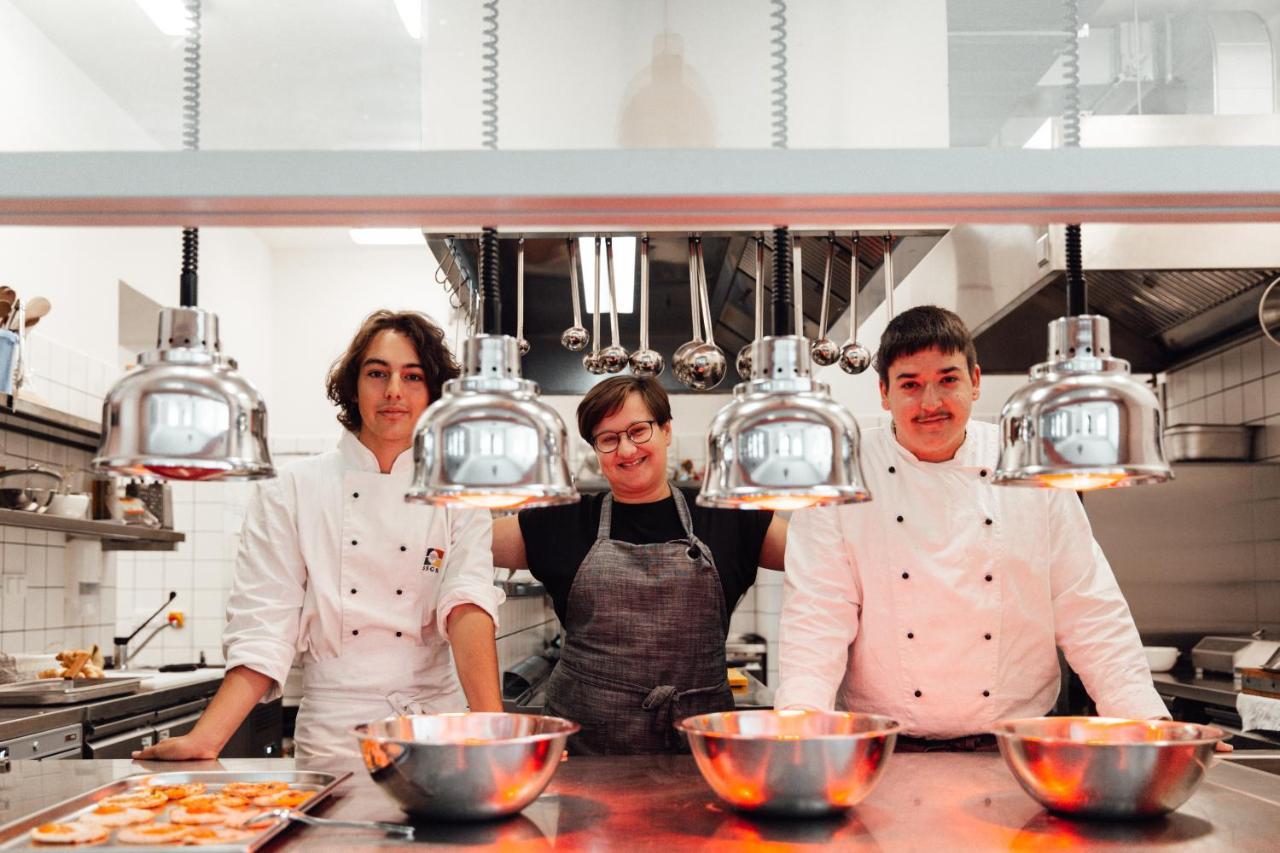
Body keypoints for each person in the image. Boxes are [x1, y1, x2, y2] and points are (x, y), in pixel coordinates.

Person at [775, 305, 1168, 750]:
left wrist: (1144, 718)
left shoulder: (1027, 463)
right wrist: (800, 720)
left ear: (975, 382)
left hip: (1016, 747)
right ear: (883, 393)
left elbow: (1087, 604)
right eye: (910, 385)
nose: (930, 403)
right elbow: (818, 611)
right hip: (884, 747)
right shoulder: (840, 470)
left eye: (948, 379)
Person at [135, 310, 504, 760]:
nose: (393, 391)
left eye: (413, 376)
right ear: (353, 386)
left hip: (436, 732)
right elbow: (265, 622)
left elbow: (467, 605)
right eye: (377, 373)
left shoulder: (458, 490)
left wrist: (494, 730)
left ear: (433, 394)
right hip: (335, 736)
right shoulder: (291, 488)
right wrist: (206, 739)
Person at [491, 375, 787, 754]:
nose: (626, 449)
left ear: (665, 430)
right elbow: (461, 541)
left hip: (699, 749)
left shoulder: (729, 515)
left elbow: (825, 556)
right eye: (608, 439)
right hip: (588, 754)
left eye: (638, 431)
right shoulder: (559, 521)